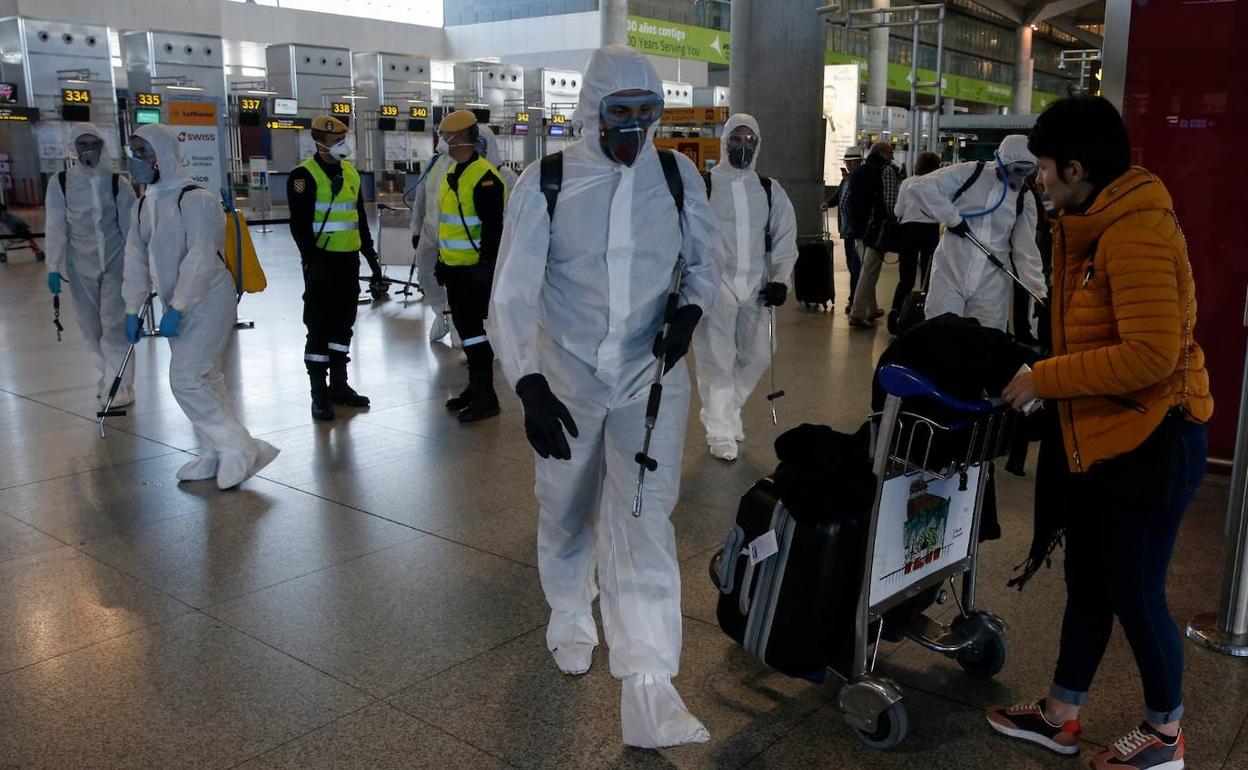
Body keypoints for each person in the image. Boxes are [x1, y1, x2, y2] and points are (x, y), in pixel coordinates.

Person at [489, 45, 721, 748]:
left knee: (644, 518)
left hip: (650, 382)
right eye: (621, 113)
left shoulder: (679, 178)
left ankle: (650, 681)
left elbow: (705, 265)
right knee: (564, 501)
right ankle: (569, 606)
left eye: (647, 113)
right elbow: (512, 290)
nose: (635, 128)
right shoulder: (548, 182)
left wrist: (688, 312)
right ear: (592, 110)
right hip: (565, 380)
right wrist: (527, 383)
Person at [988, 96, 1213, 770]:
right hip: (1109, 437)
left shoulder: (1133, 230)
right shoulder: (1090, 221)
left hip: (1154, 441)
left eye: (1046, 167)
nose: (1038, 180)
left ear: (1077, 167)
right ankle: (1060, 714)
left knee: (1137, 592)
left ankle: (1166, 735)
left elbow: (1150, 354)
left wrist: (1045, 378)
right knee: (1091, 579)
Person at [121, 124, 279, 489]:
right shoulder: (145, 203)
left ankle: (239, 447)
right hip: (176, 301)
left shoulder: (196, 199)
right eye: (133, 152)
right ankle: (214, 450)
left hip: (208, 300)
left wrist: (180, 306)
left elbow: (201, 257)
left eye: (143, 152)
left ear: (162, 154)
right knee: (206, 377)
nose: (136, 161)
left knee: (186, 379)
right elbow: (136, 258)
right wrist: (132, 307)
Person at [691, 113, 797, 461]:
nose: (742, 146)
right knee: (716, 361)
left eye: (749, 140)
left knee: (760, 354)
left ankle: (725, 411)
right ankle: (720, 430)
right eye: (736, 139)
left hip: (756, 285)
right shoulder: (705, 184)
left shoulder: (769, 190)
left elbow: (785, 239)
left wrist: (781, 281)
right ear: (724, 142)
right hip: (715, 285)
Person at [287, 115, 380, 421]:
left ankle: (339, 385)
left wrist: (371, 256)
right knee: (318, 326)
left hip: (347, 261)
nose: (342, 143)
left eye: (344, 137)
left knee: (343, 324)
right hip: (321, 263)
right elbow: (299, 226)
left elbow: (359, 219)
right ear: (318, 142)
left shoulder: (351, 173)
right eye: (334, 139)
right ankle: (319, 393)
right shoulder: (304, 176)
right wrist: (312, 262)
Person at [904, 134, 1046, 332]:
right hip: (950, 271)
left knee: (987, 341)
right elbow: (920, 186)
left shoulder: (1024, 198)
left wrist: (1038, 291)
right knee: (939, 334)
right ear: (1001, 161)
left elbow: (1026, 249)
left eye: (1026, 171)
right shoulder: (971, 173)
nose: (1018, 177)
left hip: (992, 281)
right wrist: (952, 218)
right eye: (1016, 169)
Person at [44, 123, 138, 406]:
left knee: (114, 324)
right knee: (90, 326)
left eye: (93, 144)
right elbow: (56, 225)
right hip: (79, 265)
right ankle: (107, 374)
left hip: (115, 263)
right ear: (74, 149)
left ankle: (120, 382)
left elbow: (132, 229)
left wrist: (137, 268)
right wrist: (53, 265)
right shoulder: (60, 182)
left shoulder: (117, 183)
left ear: (102, 146)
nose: (88, 150)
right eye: (82, 144)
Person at [435, 109, 507, 422]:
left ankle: (486, 395)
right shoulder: (453, 172)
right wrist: (442, 261)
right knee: (466, 330)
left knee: (475, 333)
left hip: (474, 271)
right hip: (454, 269)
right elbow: (448, 225)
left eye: (444, 136)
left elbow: (493, 229)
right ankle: (474, 388)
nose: (441, 142)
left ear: (457, 138)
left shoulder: (486, 177)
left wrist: (485, 266)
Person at [887, 151, 943, 334]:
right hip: (930, 231)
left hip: (908, 231)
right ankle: (925, 317)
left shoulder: (906, 183)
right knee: (928, 277)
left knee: (906, 278)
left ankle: (896, 313)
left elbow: (897, 211)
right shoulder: (938, 183)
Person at [847, 142, 900, 328]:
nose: (892, 157)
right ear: (883, 153)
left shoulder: (859, 171)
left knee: (866, 270)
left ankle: (871, 308)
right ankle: (858, 313)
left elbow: (846, 202)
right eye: (890, 153)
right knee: (869, 272)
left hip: (857, 228)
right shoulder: (886, 171)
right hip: (875, 230)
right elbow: (891, 204)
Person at [410, 137, 456, 343]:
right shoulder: (433, 163)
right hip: (429, 231)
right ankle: (440, 313)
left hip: (454, 234)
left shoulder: (464, 164)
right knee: (426, 275)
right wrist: (416, 228)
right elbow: (421, 197)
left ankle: (457, 325)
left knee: (456, 281)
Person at [823, 146, 864, 312]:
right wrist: (828, 202)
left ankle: (854, 300)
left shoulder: (860, 178)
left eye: (851, 162)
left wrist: (851, 180)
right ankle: (857, 298)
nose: (848, 165)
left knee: (856, 267)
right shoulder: (845, 180)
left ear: (858, 163)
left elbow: (860, 199)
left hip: (857, 231)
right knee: (851, 265)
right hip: (847, 230)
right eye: (847, 162)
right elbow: (838, 196)